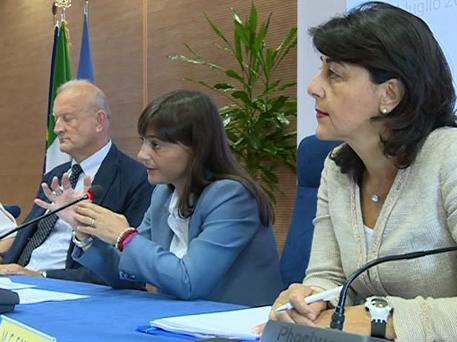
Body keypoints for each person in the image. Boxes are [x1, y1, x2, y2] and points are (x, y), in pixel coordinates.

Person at [267, 2, 457, 342]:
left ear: (389, 94)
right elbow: (327, 278)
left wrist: (383, 319)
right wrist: (306, 300)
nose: (313, 87)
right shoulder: (337, 168)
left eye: (334, 74)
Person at [40, 89, 283, 306]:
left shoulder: (231, 196)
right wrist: (86, 234)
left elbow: (189, 281)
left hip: (235, 329)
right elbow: (128, 274)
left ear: (196, 148)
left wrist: (124, 237)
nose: (142, 154)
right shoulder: (163, 194)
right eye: (143, 142)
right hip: (179, 322)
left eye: (156, 145)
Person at [0, 80, 153, 284]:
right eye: (55, 119)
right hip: (17, 280)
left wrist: (42, 276)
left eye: (67, 119)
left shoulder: (137, 178)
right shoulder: (55, 176)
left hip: (66, 289)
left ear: (99, 121)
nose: (57, 129)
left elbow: (132, 267)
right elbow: (26, 240)